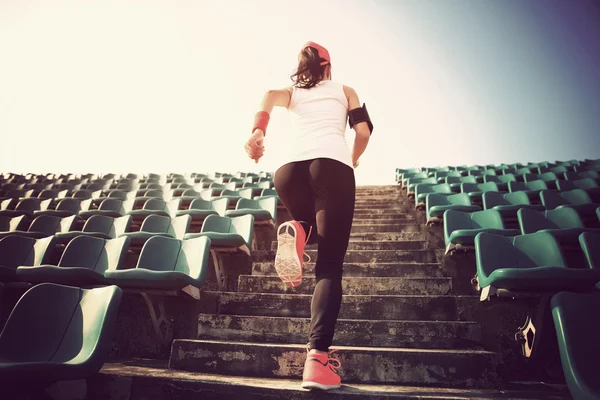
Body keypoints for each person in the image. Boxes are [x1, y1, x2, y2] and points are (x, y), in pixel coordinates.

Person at [244, 41, 372, 391]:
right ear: (328, 67)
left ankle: (299, 228)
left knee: (309, 226)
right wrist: (354, 158)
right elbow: (362, 131)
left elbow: (269, 94)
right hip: (331, 164)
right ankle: (317, 359)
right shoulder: (345, 90)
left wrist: (258, 131)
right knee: (329, 267)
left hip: (288, 169)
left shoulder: (294, 92)